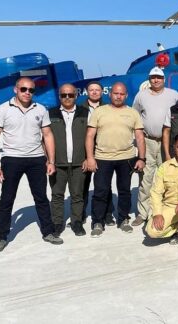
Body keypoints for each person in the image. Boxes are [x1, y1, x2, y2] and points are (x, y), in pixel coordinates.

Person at [0, 77, 62, 253]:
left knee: (41, 198)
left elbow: (48, 135)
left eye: (31, 90)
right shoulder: (2, 109)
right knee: (7, 199)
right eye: (23, 89)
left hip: (36, 159)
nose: (27, 93)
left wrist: (51, 161)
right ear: (16, 89)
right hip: (12, 160)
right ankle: (1, 237)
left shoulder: (40, 109)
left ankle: (48, 232)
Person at [85, 82, 146, 238]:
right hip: (102, 158)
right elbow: (90, 136)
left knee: (124, 191)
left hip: (126, 158)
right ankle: (97, 222)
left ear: (126, 95)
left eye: (122, 94)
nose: (118, 96)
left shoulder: (133, 113)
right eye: (116, 93)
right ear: (110, 94)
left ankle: (123, 219)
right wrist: (90, 158)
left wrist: (141, 158)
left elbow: (140, 137)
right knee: (100, 191)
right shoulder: (99, 111)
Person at [131, 67, 178, 227]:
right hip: (148, 141)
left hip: (167, 142)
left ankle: (164, 211)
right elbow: (135, 115)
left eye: (159, 77)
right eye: (153, 77)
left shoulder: (173, 95)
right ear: (149, 79)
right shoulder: (141, 95)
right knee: (146, 178)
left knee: (167, 177)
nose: (156, 80)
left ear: (163, 79)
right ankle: (143, 213)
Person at [47, 84, 89, 237]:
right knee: (57, 194)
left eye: (70, 95)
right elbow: (44, 138)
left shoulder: (85, 112)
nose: (67, 98)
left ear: (76, 96)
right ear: (59, 96)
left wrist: (88, 157)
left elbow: (91, 137)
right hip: (58, 163)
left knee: (77, 194)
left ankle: (77, 222)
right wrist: (48, 160)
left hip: (79, 162)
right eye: (63, 95)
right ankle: (57, 223)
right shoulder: (50, 113)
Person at [80, 81, 115, 226]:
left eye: (97, 90)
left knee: (105, 185)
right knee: (82, 185)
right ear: (87, 92)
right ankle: (80, 214)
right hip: (84, 151)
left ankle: (107, 214)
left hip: (103, 150)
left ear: (102, 92)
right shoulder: (80, 109)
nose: (94, 92)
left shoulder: (109, 108)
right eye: (91, 90)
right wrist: (85, 156)